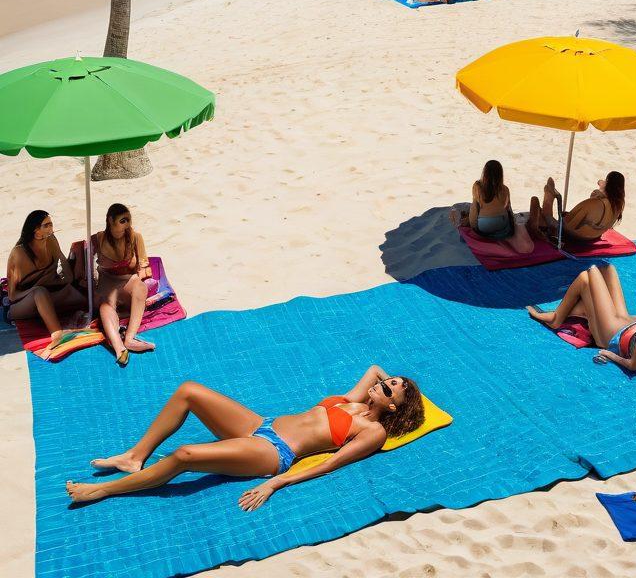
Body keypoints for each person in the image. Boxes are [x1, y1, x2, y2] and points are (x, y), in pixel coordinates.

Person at [65, 365, 425, 507]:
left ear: (392, 408)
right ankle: (134, 456)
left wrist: (276, 484)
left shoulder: (372, 431)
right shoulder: (353, 402)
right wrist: (398, 387)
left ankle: (103, 490)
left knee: (186, 455)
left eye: (389, 389)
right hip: (259, 423)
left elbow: (331, 463)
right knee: (189, 390)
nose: (382, 383)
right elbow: (375, 366)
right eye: (387, 382)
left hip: (272, 449)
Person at [6, 210, 87, 356]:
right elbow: (12, 296)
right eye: (47, 225)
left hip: (50, 295)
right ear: (36, 231)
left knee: (83, 298)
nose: (51, 228)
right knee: (40, 293)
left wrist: (65, 280)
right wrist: (36, 288)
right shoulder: (18, 253)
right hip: (22, 304)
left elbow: (64, 267)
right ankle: (57, 333)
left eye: (51, 224)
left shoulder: (51, 241)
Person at [92, 203, 155, 367]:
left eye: (129, 220)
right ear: (110, 220)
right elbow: (84, 265)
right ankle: (119, 347)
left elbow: (144, 267)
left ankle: (129, 338)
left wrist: (141, 272)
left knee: (141, 287)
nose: (127, 224)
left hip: (128, 280)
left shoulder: (135, 237)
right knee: (106, 307)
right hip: (107, 281)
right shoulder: (97, 239)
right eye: (123, 221)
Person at [453, 160, 535, 255]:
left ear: (485, 173)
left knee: (465, 219)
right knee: (508, 230)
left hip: (484, 226)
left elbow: (474, 210)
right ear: (500, 175)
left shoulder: (478, 187)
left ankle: (495, 238)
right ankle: (507, 237)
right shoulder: (504, 189)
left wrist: (473, 227)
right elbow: (509, 210)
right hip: (502, 225)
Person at [529, 172, 625, 246]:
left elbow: (569, 226)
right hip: (593, 237)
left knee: (536, 202)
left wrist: (564, 216)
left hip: (571, 237)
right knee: (546, 213)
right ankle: (545, 204)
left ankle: (548, 195)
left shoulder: (593, 203)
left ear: (607, 184)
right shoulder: (618, 206)